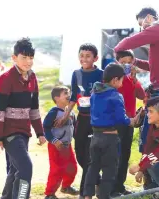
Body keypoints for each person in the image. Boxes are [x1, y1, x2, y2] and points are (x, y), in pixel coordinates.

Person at [114, 7, 159, 188]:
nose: (142, 29)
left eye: (142, 24)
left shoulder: (158, 28)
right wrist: (135, 62)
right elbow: (154, 66)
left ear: (150, 18)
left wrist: (118, 51)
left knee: (147, 140)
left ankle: (154, 185)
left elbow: (130, 42)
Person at [0, 37, 46, 199]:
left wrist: (40, 132)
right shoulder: (5, 79)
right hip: (9, 133)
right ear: (14, 58)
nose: (28, 62)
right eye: (24, 57)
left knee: (16, 170)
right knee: (26, 167)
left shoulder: (33, 78)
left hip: (24, 132)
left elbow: (34, 109)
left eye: (31, 58)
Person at [83, 63, 139, 199]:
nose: (122, 83)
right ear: (115, 80)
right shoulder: (116, 95)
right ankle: (104, 196)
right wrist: (131, 120)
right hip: (110, 138)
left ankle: (87, 196)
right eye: (121, 80)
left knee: (93, 167)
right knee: (109, 170)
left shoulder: (95, 93)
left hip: (95, 136)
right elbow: (121, 119)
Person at [55, 43, 103, 198]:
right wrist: (65, 114)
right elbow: (74, 97)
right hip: (81, 120)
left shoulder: (101, 74)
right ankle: (97, 179)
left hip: (96, 121)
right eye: (81, 55)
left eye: (88, 56)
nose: (84, 59)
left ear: (95, 58)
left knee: (89, 159)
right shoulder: (76, 74)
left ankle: (85, 193)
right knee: (80, 156)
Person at [111, 50, 146, 196]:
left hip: (130, 122)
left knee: (125, 154)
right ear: (117, 62)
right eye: (123, 62)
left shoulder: (132, 79)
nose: (126, 65)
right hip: (115, 122)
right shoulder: (113, 78)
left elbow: (142, 95)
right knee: (115, 155)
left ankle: (120, 186)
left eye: (129, 62)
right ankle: (111, 187)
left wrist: (133, 78)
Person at [43, 86, 79, 199]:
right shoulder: (54, 112)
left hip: (67, 146)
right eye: (65, 93)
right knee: (56, 170)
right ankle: (50, 194)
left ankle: (66, 186)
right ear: (57, 98)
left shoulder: (71, 112)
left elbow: (75, 129)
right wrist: (54, 140)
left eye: (69, 92)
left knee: (72, 167)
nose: (69, 95)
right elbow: (46, 128)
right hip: (56, 146)